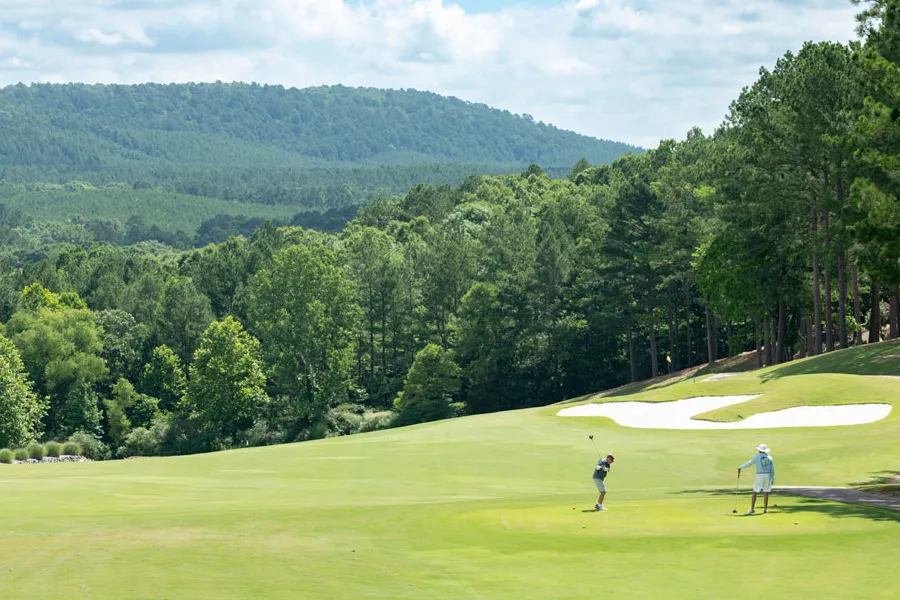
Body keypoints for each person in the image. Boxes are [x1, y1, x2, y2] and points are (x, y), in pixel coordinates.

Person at [738, 443, 775, 514]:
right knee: (766, 492)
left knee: (755, 491)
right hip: (768, 475)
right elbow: (772, 469)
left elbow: (750, 463)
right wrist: (773, 478)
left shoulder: (757, 456)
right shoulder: (770, 457)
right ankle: (765, 509)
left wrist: (741, 467)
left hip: (760, 475)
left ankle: (752, 509)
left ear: (759, 450)